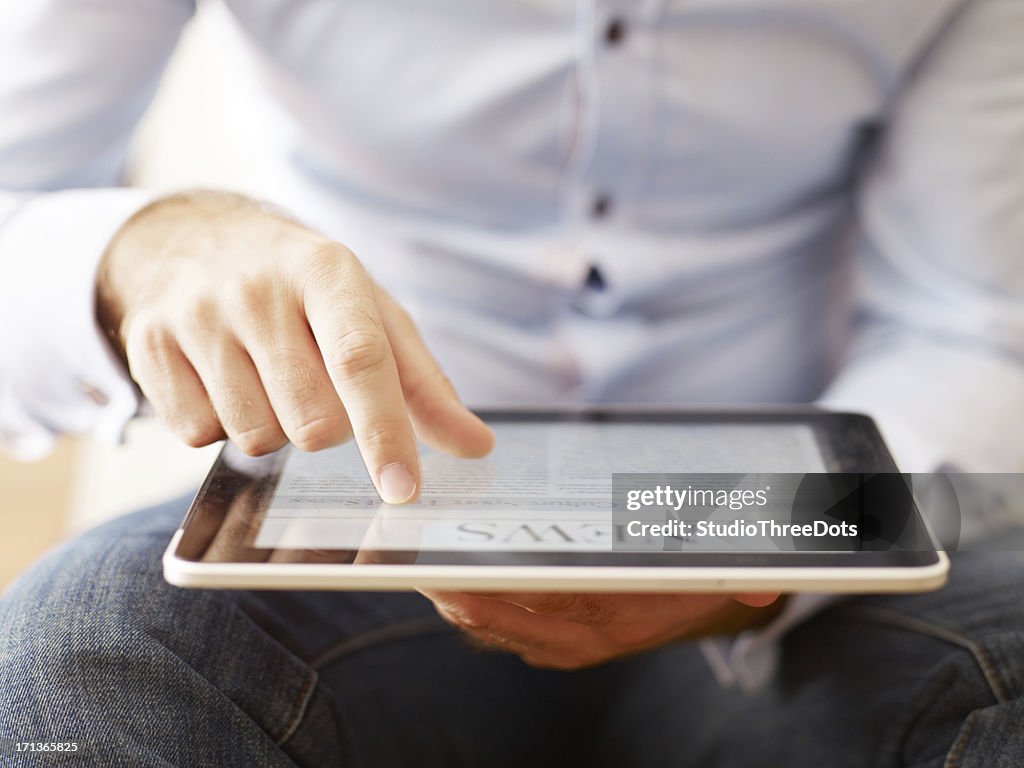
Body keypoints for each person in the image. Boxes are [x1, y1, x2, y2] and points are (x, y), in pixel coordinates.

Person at [1, 1, 1023, 765]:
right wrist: (144, 249)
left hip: (790, 576)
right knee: (90, 638)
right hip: (360, 535)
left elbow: (972, 328)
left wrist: (764, 552)